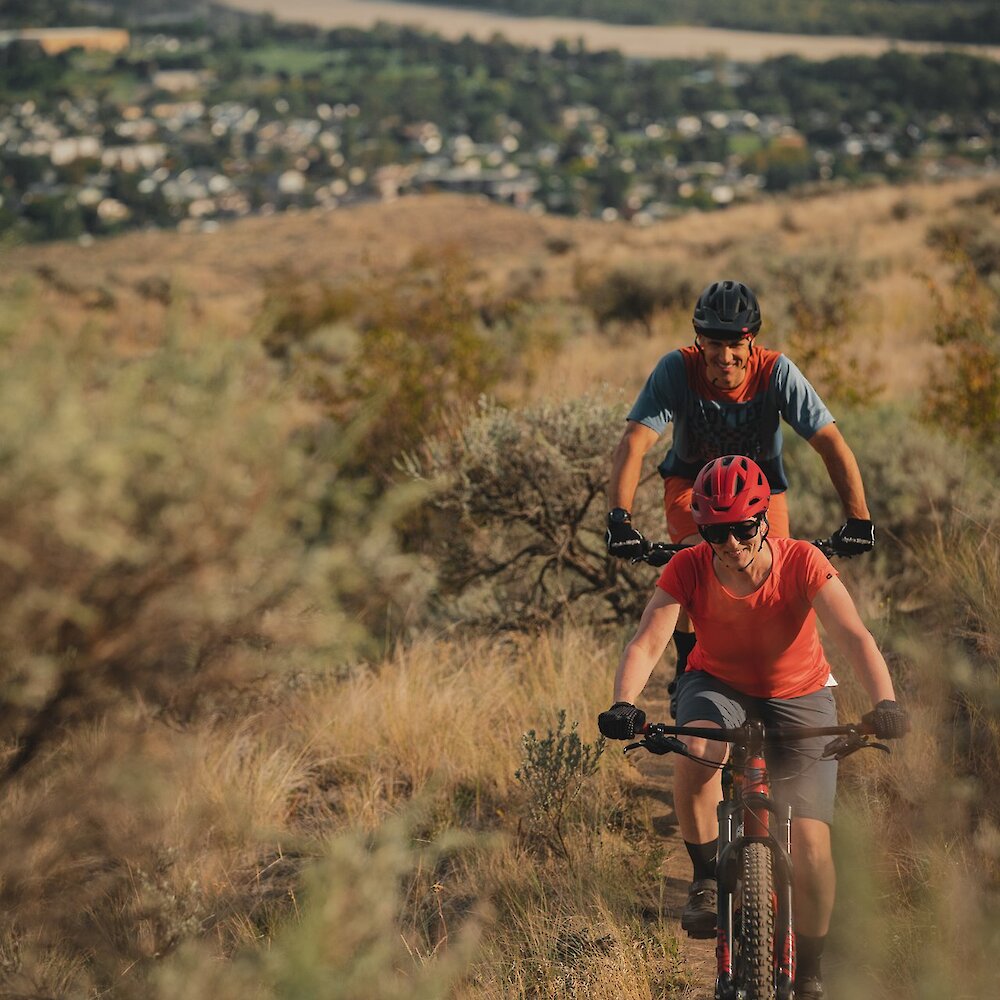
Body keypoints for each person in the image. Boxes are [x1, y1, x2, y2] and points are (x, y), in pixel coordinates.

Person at [598, 455, 907, 1000]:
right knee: (696, 750)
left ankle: (809, 968)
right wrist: (624, 702)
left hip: (801, 692)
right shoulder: (689, 567)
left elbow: (855, 636)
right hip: (717, 685)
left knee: (813, 848)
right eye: (716, 530)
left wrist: (885, 701)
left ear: (764, 518)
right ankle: (705, 875)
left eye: (742, 527)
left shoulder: (803, 562)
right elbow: (648, 640)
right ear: (702, 528)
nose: (731, 542)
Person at [605, 279, 875, 709]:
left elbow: (830, 442)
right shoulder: (677, 370)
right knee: (704, 556)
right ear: (699, 340)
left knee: (777, 575)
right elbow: (634, 443)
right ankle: (689, 661)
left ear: (752, 340)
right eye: (714, 343)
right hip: (692, 486)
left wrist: (859, 518)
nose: (725, 356)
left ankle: (779, 681)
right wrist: (619, 519)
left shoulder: (776, 372)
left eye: (736, 343)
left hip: (761, 494)